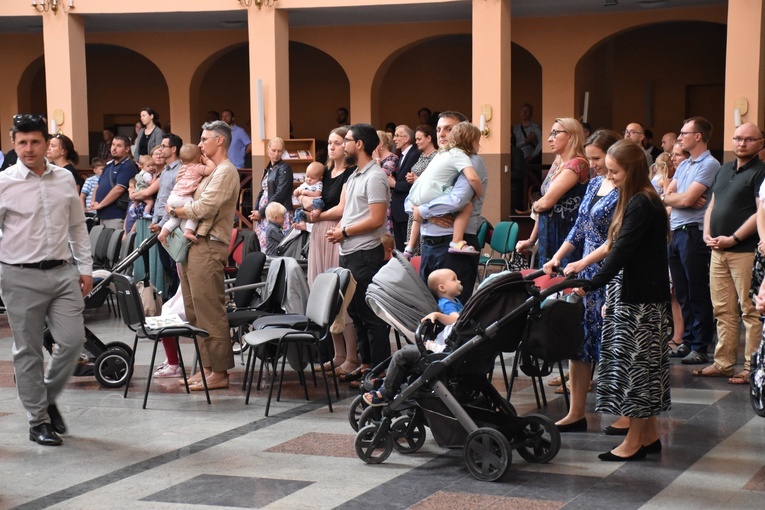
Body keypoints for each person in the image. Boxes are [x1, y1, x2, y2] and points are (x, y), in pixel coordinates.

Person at [573, 139, 671, 461]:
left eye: (615, 171)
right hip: (632, 292)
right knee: (644, 368)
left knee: (636, 371)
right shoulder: (637, 199)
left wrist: (592, 284)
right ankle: (651, 436)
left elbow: (621, 250)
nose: (610, 177)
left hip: (639, 299)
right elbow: (617, 246)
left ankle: (633, 443)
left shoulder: (642, 203)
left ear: (633, 169)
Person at [0, 113, 93, 446]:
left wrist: (85, 267)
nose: (29, 148)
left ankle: (46, 397)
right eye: (22, 142)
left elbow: (77, 226)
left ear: (46, 143)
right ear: (13, 143)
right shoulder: (4, 182)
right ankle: (38, 420)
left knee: (72, 341)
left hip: (63, 272)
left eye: (35, 141)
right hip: (19, 275)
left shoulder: (65, 179)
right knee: (28, 352)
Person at [542, 129, 622, 433]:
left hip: (608, 271)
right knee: (580, 342)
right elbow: (579, 227)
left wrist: (584, 263)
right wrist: (558, 257)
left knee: (611, 344)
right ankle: (576, 412)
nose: (593, 164)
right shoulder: (595, 184)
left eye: (598, 159)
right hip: (583, 270)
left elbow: (615, 239)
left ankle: (623, 412)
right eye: (589, 159)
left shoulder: (624, 189)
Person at [169, 120, 240, 391]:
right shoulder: (208, 171)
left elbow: (205, 207)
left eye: (204, 138)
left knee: (210, 309)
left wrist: (177, 212)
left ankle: (220, 373)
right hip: (193, 245)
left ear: (219, 141)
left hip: (209, 244)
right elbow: (191, 198)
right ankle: (206, 368)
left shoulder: (226, 171)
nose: (199, 144)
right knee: (194, 310)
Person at [693, 123, 765, 383]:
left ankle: (752, 367)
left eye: (748, 139)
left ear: (760, 144)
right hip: (717, 250)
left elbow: (760, 212)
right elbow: (713, 203)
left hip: (744, 250)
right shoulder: (724, 169)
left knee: (750, 310)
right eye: (737, 138)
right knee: (722, 309)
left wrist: (734, 238)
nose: (741, 143)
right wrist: (706, 232)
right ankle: (723, 363)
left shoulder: (761, 172)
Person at [325, 123, 391, 372]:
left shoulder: (375, 176)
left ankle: (380, 370)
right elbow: (351, 213)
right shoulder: (354, 175)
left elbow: (376, 219)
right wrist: (340, 229)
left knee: (370, 314)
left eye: (347, 141)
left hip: (365, 254)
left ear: (359, 144)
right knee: (355, 312)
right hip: (349, 252)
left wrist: (345, 231)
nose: (343, 146)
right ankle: (365, 365)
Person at [407, 111, 488, 303]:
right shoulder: (442, 158)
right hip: (430, 243)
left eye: (448, 129)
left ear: (462, 132)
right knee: (430, 308)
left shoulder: (471, 160)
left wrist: (423, 211)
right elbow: (413, 198)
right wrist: (421, 211)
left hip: (452, 245)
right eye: (438, 129)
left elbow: (458, 199)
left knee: (452, 310)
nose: (441, 134)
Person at [663, 116, 720, 364]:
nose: (680, 138)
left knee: (697, 291)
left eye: (684, 133)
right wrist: (679, 198)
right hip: (675, 232)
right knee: (682, 291)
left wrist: (682, 198)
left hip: (693, 232)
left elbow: (686, 201)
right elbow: (667, 195)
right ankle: (686, 340)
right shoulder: (685, 164)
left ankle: (700, 345)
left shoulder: (709, 164)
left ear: (698, 136)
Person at [362, 268, 463, 406]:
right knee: (406, 355)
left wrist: (439, 316)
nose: (459, 281)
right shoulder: (446, 304)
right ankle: (390, 385)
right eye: (454, 279)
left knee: (402, 355)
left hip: (445, 351)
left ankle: (385, 392)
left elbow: (456, 320)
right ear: (442, 288)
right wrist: (440, 315)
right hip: (448, 347)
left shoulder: (454, 302)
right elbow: (455, 319)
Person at [306, 127, 358, 379]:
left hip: (335, 232)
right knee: (326, 296)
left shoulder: (350, 174)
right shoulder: (325, 173)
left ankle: (351, 356)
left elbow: (342, 208)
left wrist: (318, 215)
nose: (332, 147)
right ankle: (337, 354)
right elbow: (311, 197)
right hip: (319, 234)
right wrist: (309, 209)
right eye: (329, 143)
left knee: (340, 294)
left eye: (337, 143)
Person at [516, 118, 590, 267]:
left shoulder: (578, 163)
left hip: (565, 233)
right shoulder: (558, 163)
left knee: (561, 282)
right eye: (550, 134)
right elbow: (543, 203)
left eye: (555, 133)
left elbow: (546, 203)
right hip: (548, 232)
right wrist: (531, 239)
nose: (550, 139)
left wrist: (536, 205)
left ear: (570, 136)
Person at [404, 121, 484, 256]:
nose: (479, 145)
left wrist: (426, 213)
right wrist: (478, 192)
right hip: (432, 192)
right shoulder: (460, 155)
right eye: (478, 141)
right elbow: (473, 178)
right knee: (467, 205)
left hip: (416, 193)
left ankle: (410, 247)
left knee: (419, 212)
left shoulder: (441, 153)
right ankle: (457, 241)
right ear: (470, 141)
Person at [148, 134, 183, 299]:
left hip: (172, 226)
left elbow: (174, 201)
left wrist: (162, 223)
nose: (160, 149)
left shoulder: (179, 170)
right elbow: (160, 199)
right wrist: (155, 220)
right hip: (160, 224)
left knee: (174, 266)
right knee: (166, 266)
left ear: (173, 149)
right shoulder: (165, 171)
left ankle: (173, 299)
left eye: (164, 146)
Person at [158, 144, 214, 245]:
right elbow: (212, 170)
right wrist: (207, 161)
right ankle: (188, 232)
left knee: (174, 220)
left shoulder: (183, 168)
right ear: (199, 158)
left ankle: (163, 234)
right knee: (194, 211)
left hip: (172, 197)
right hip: (183, 198)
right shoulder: (197, 167)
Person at [249, 137, 294, 250]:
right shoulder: (269, 168)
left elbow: (281, 193)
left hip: (276, 211)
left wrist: (261, 212)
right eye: (273, 150)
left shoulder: (285, 168)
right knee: (262, 243)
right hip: (265, 211)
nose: (276, 153)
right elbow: (262, 190)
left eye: (279, 151)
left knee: (276, 244)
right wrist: (256, 211)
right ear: (268, 150)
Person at [89, 135, 138, 230]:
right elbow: (98, 185)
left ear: (127, 149)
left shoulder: (128, 166)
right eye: (113, 145)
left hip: (116, 215)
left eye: (119, 146)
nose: (114, 148)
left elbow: (118, 189)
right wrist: (93, 202)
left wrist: (101, 204)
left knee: (114, 243)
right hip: (102, 214)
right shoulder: (108, 165)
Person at [405, 124, 438, 248]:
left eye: (419, 139)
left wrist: (417, 179)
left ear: (429, 138)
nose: (416, 142)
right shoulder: (421, 156)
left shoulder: (436, 156)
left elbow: (435, 181)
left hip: (425, 202)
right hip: (415, 202)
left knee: (422, 243)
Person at [390, 125, 420, 250]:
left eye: (397, 136)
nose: (394, 139)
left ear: (407, 138)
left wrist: (394, 184)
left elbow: (412, 183)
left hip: (406, 209)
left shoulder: (414, 154)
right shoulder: (401, 155)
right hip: (397, 208)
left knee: (406, 248)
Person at [373, 129, 398, 233]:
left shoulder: (391, 159)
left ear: (380, 143)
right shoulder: (373, 158)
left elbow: (380, 179)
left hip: (387, 200)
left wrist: (377, 161)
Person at [292, 161, 325, 228]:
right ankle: (301, 223)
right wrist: (298, 191)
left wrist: (305, 192)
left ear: (320, 178)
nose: (309, 179)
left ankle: (315, 213)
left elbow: (317, 194)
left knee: (319, 202)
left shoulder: (318, 184)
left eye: (312, 178)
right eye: (307, 176)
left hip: (314, 202)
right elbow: (295, 193)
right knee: (298, 211)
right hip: (305, 206)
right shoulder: (305, 184)